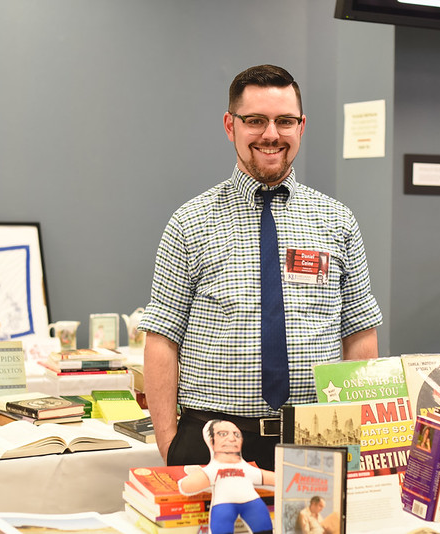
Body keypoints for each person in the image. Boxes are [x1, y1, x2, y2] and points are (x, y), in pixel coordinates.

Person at [138, 64, 383, 471]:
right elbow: (162, 339)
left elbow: (359, 333)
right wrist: (169, 444)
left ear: (301, 127)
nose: (271, 134)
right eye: (255, 121)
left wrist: (361, 437)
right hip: (213, 441)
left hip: (317, 437)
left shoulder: (338, 221)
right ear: (229, 125)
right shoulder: (189, 223)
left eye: (284, 121)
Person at [178, 420, 273, 534]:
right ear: (211, 440)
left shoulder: (247, 469)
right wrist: (198, 475)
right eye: (223, 434)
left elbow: (274, 478)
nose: (232, 438)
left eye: (236, 434)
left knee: (263, 522)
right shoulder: (213, 470)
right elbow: (187, 486)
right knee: (221, 524)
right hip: (223, 505)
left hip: (252, 502)